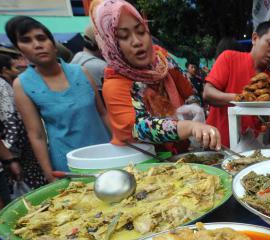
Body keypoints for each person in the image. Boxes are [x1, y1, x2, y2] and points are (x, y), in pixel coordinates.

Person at [92, 0, 220, 150]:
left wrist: (193, 108)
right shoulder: (115, 84)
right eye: (124, 36)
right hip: (143, 164)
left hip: (182, 155)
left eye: (141, 31)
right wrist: (188, 127)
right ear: (110, 44)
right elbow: (140, 128)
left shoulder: (163, 61)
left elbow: (189, 91)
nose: (137, 41)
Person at [6, 16, 111, 180]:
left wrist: (122, 145)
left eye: (41, 38)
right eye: (26, 40)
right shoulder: (23, 84)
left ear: (53, 43)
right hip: (68, 163)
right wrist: (49, 174)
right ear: (20, 49)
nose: (37, 45)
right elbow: (37, 135)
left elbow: (103, 113)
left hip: (105, 152)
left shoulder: (81, 72)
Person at [203, 21, 270, 147]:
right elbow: (208, 93)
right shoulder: (229, 58)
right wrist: (242, 99)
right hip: (216, 145)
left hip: (248, 149)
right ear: (255, 38)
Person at [0, 54, 46, 188]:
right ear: (5, 69)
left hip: (1, 151)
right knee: (32, 187)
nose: (18, 70)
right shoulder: (0, 83)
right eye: (15, 67)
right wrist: (12, 156)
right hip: (18, 152)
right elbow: (12, 121)